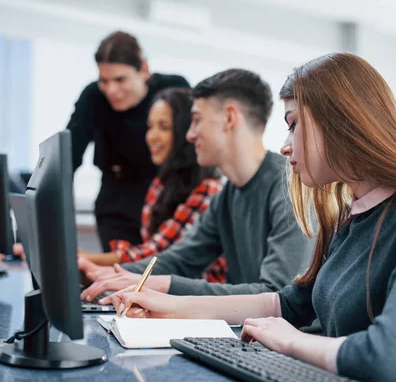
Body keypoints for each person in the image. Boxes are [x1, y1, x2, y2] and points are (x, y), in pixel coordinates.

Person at [105, 53, 396, 382]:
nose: (284, 146)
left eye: (293, 124)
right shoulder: (354, 215)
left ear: (340, 121)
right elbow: (286, 304)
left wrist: (291, 342)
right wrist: (172, 307)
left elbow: (389, 358)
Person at [79, 68, 314, 302]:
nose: (190, 135)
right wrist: (111, 274)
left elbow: (277, 294)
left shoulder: (290, 185)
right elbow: (180, 259)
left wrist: (165, 285)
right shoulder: (226, 197)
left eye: (196, 120)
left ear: (229, 118)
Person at [78, 87, 226, 282]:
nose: (152, 136)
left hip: (199, 299)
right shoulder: (160, 184)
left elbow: (160, 253)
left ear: (184, 132)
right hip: (166, 289)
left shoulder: (208, 189)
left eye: (163, 127)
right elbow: (149, 250)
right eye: (150, 126)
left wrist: (86, 260)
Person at [68, 31, 190, 251]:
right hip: (116, 201)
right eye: (104, 81)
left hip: (166, 197)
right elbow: (67, 159)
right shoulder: (93, 97)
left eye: (120, 79)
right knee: (122, 272)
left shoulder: (172, 90)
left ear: (143, 70)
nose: (111, 90)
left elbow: (192, 147)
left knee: (157, 269)